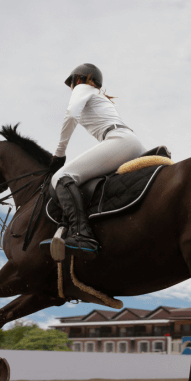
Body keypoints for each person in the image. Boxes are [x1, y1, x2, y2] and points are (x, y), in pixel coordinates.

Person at [48, 63, 144, 258]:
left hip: (119, 140)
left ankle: (82, 235)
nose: (73, 88)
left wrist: (60, 153)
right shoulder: (98, 96)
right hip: (131, 144)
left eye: (73, 83)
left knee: (61, 176)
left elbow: (71, 114)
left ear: (80, 79)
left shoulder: (83, 88)